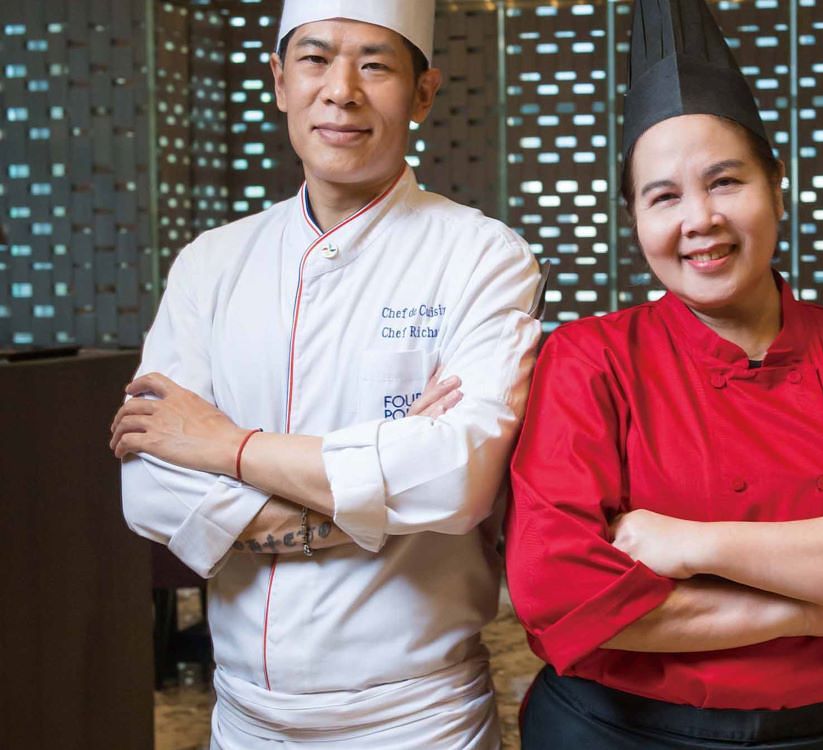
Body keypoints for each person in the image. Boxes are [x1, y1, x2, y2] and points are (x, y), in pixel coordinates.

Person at [504, 0, 823, 747]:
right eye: (664, 196)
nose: (700, 218)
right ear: (635, 219)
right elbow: (559, 590)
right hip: (619, 733)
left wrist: (694, 545)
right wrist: (814, 610)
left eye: (725, 181)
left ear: (777, 186)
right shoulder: (589, 358)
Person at [110, 1, 541, 746]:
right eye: (314, 59)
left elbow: (455, 479)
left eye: (374, 64)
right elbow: (151, 487)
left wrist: (226, 447)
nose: (341, 90)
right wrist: (377, 491)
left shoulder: (482, 256)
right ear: (280, 82)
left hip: (416, 721)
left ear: (424, 93)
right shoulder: (211, 263)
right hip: (243, 720)